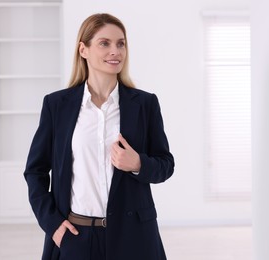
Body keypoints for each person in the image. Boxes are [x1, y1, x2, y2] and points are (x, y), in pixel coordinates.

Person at [24, 13, 174, 260]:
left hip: (134, 236)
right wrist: (53, 224)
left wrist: (138, 164)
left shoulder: (145, 104)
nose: (115, 51)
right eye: (105, 43)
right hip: (76, 237)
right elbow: (35, 171)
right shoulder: (56, 105)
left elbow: (166, 165)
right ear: (83, 50)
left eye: (121, 43)